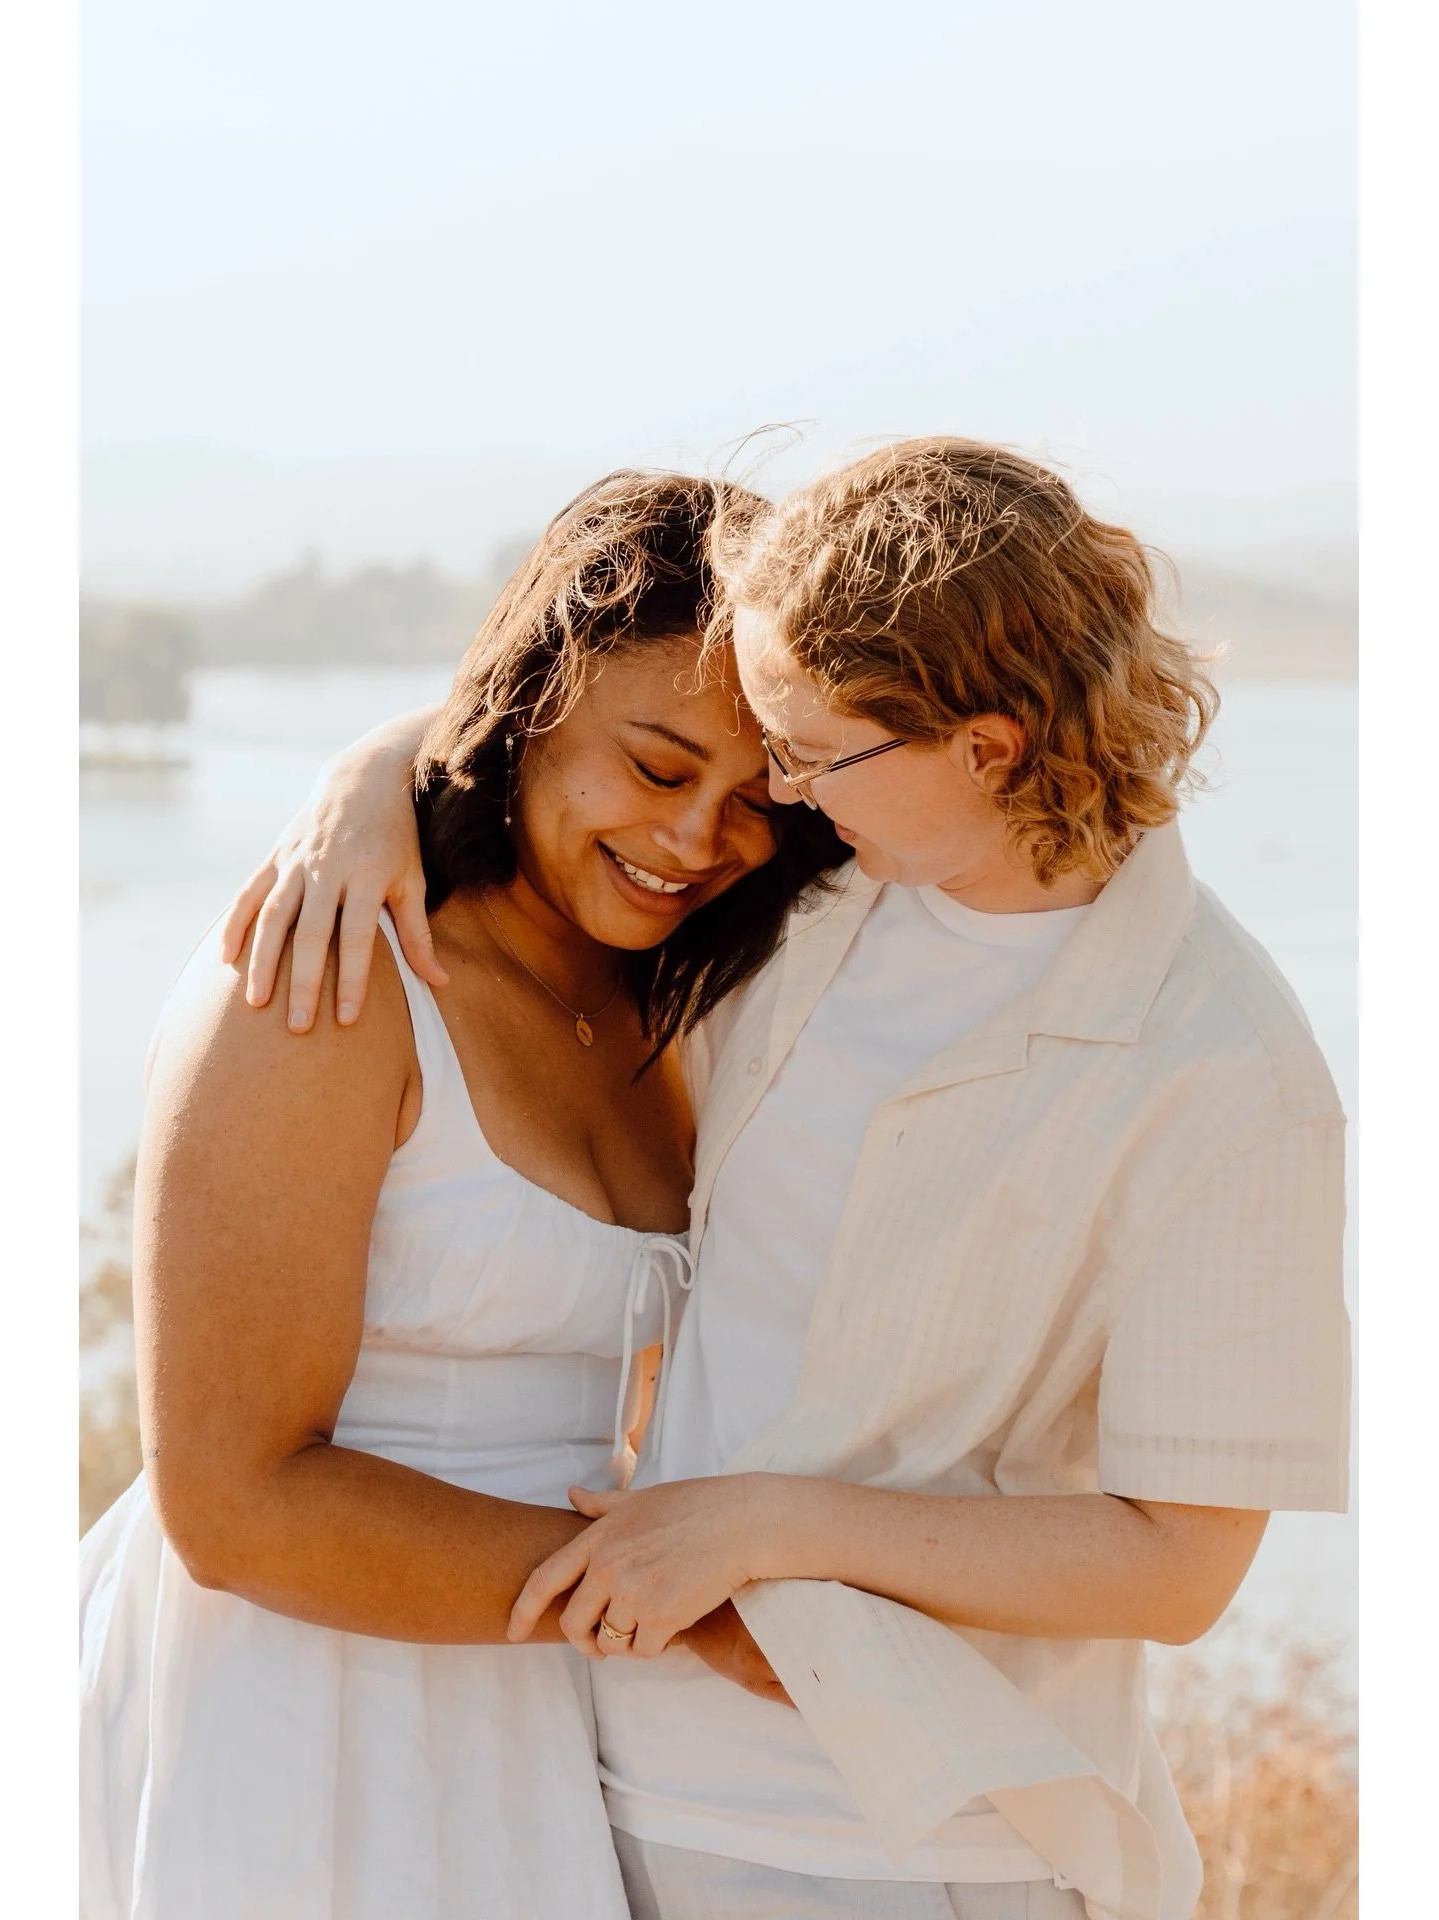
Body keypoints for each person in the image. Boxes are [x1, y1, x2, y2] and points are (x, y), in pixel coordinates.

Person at [229, 439, 1350, 1920]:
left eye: (811, 754)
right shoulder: (822, 890)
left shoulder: (1223, 1066)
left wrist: (768, 1525)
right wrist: (371, 775)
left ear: (988, 747)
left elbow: (1178, 1566)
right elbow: (577, 711)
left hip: (924, 1837)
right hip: (601, 1783)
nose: (778, 792)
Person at [79, 470, 847, 1920]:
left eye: (759, 799)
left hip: (542, 1702)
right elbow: (235, 1504)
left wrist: (383, 757)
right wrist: (687, 1602)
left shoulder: (676, 996)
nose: (699, 839)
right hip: (293, 1717)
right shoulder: (336, 974)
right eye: (659, 766)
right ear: (539, 701)